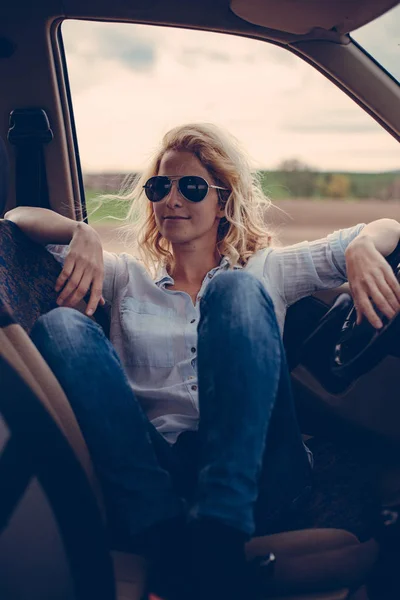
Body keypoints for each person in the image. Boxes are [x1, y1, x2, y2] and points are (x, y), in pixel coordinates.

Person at [5, 123, 400, 600]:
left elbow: (385, 229)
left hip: (258, 475)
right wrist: (78, 230)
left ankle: (219, 530)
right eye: (160, 187)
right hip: (159, 471)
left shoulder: (265, 269)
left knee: (232, 288)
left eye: (191, 187)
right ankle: (162, 532)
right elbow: (16, 217)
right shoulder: (126, 278)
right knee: (61, 327)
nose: (172, 199)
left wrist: (361, 246)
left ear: (222, 203)